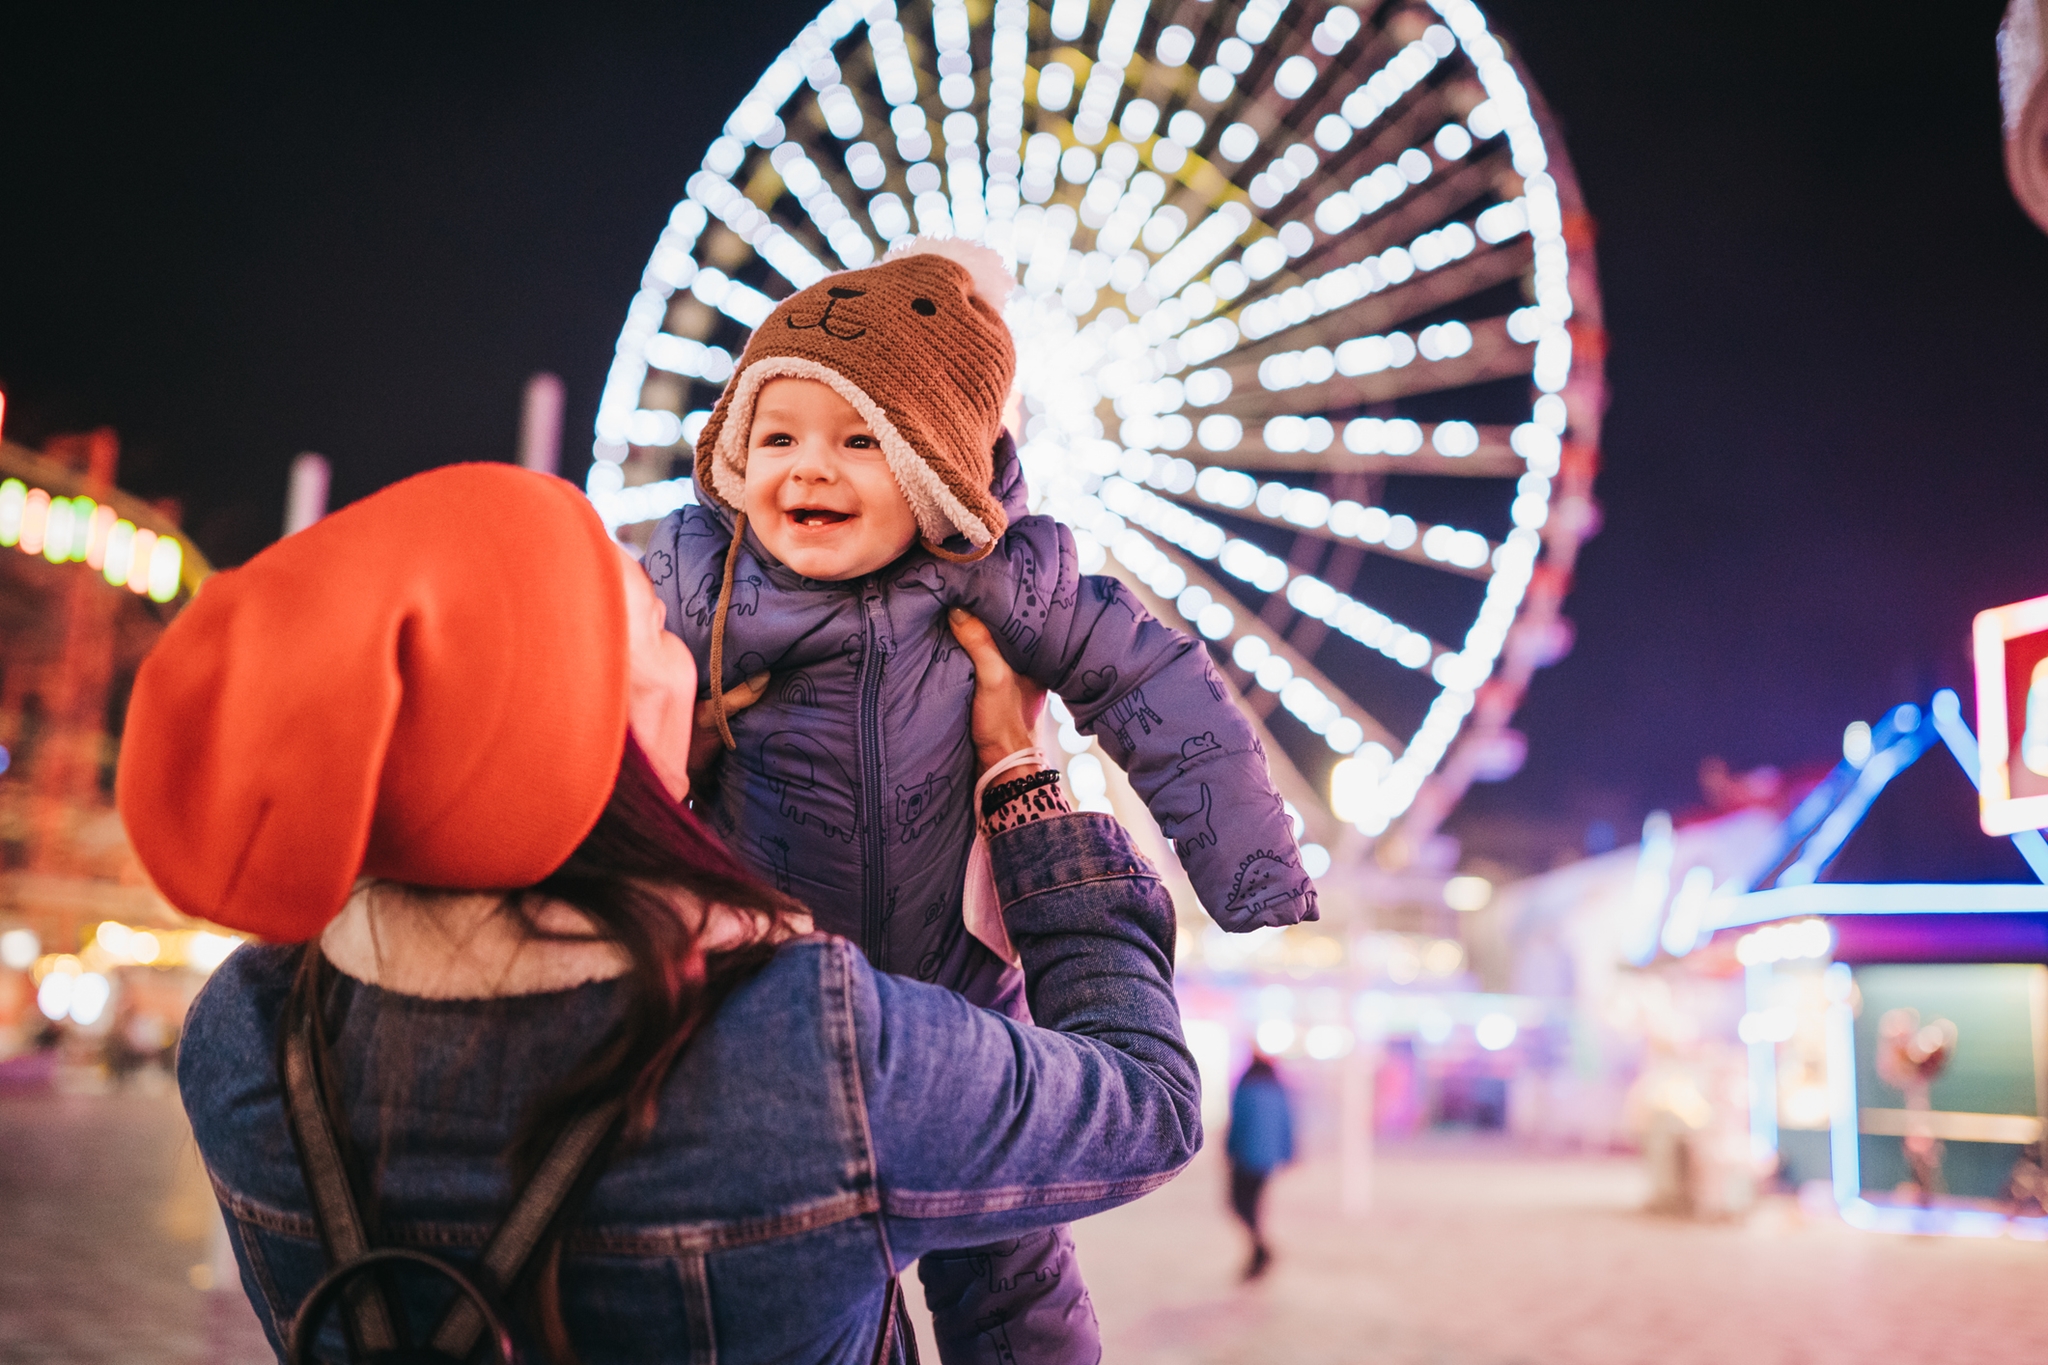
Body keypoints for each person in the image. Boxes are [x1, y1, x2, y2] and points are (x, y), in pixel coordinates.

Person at [122, 464, 1200, 1364]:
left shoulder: (248, 1035)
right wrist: (1022, 779)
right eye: (646, 626)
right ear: (573, 712)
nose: (689, 656)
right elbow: (1144, 1101)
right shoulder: (804, 1052)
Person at [645, 240, 1313, 1355]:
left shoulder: (1012, 581)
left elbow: (1151, 682)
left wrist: (1250, 865)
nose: (808, 469)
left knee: (1009, 1271)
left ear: (940, 469)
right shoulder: (693, 583)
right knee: (788, 1275)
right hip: (757, 1007)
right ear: (729, 459)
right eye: (776, 438)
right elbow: (577, 699)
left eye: (861, 440)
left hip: (957, 998)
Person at [1225, 1051, 1294, 1280]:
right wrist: (1287, 1153)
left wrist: (1229, 1150)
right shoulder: (1278, 1089)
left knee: (1238, 1204)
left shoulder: (1246, 1087)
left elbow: (1237, 1123)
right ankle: (1259, 1251)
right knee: (1252, 1206)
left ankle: (1261, 1250)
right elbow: (1287, 1124)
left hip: (1246, 1157)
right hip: (1267, 1160)